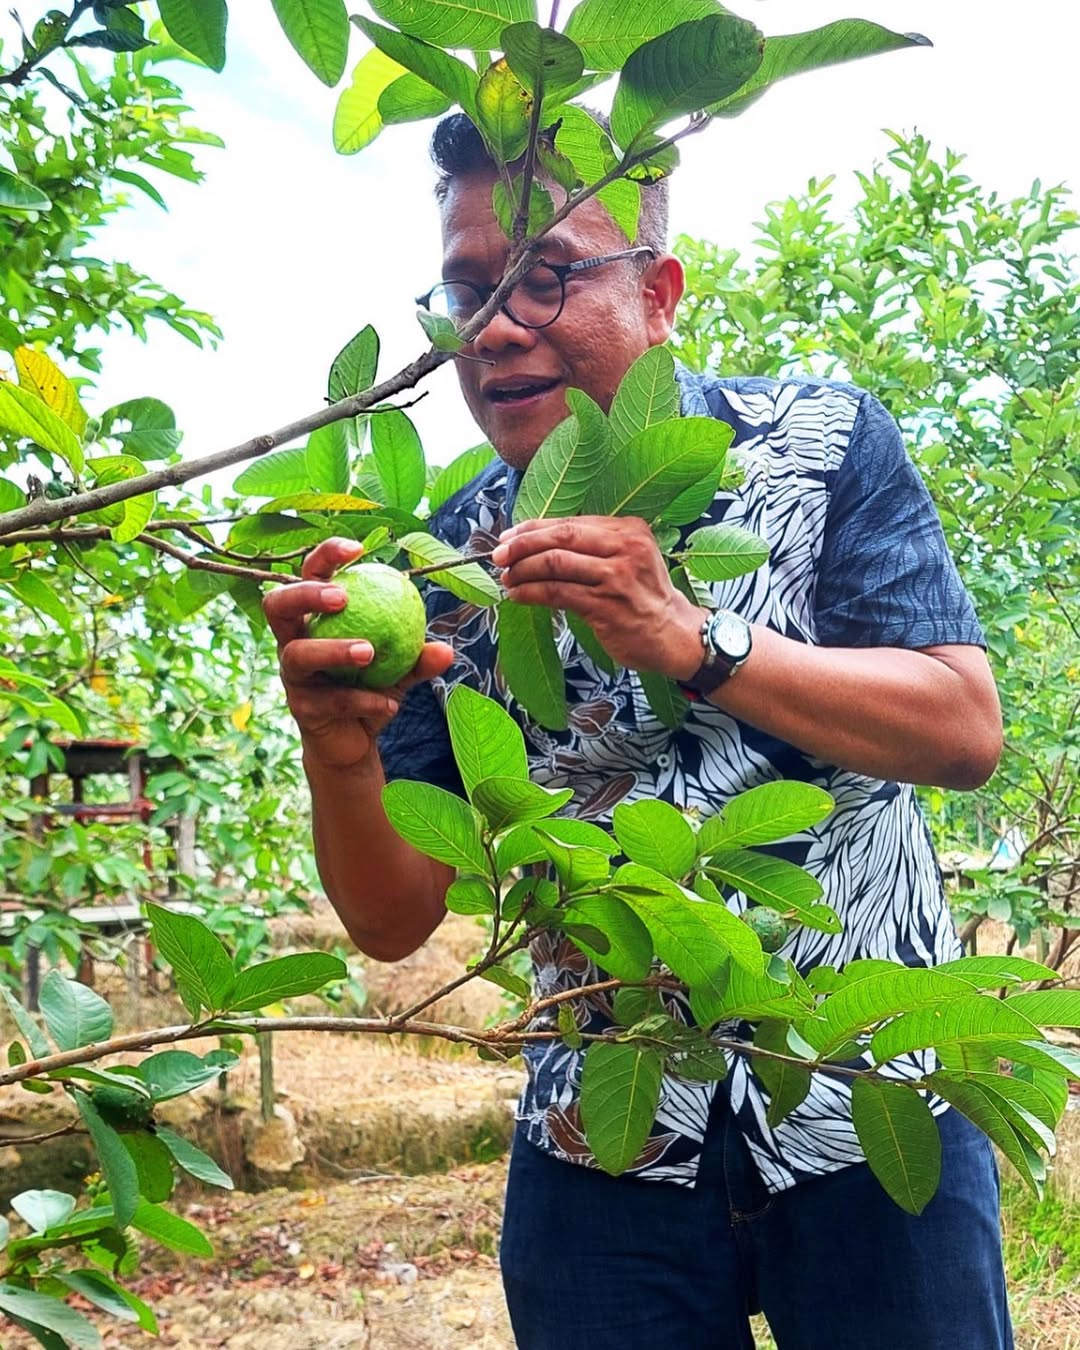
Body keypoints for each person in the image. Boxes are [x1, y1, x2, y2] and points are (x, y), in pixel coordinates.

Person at [265, 113, 1010, 1350]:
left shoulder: (821, 450)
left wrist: (693, 640)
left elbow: (962, 728)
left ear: (658, 295)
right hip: (603, 1137)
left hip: (868, 1098)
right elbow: (395, 919)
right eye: (464, 292)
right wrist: (337, 746)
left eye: (541, 274)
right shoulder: (447, 564)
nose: (494, 325)